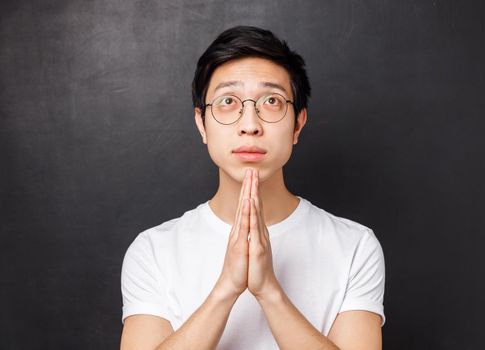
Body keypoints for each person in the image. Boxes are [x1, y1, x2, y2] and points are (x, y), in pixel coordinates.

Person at [120, 25, 386, 350]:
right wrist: (226, 289)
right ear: (202, 123)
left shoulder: (355, 246)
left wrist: (269, 291)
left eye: (271, 101)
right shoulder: (152, 251)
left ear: (298, 123)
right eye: (228, 101)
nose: (250, 125)